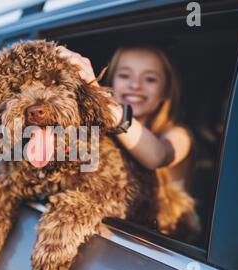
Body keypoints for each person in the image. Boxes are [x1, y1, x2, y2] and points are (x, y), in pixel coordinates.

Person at [58, 45, 200, 237]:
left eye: (150, 79)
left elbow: (157, 156)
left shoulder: (178, 135)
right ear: (112, 83)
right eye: (125, 76)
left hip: (165, 243)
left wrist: (103, 101)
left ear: (166, 91)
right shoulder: (97, 135)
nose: (135, 85)